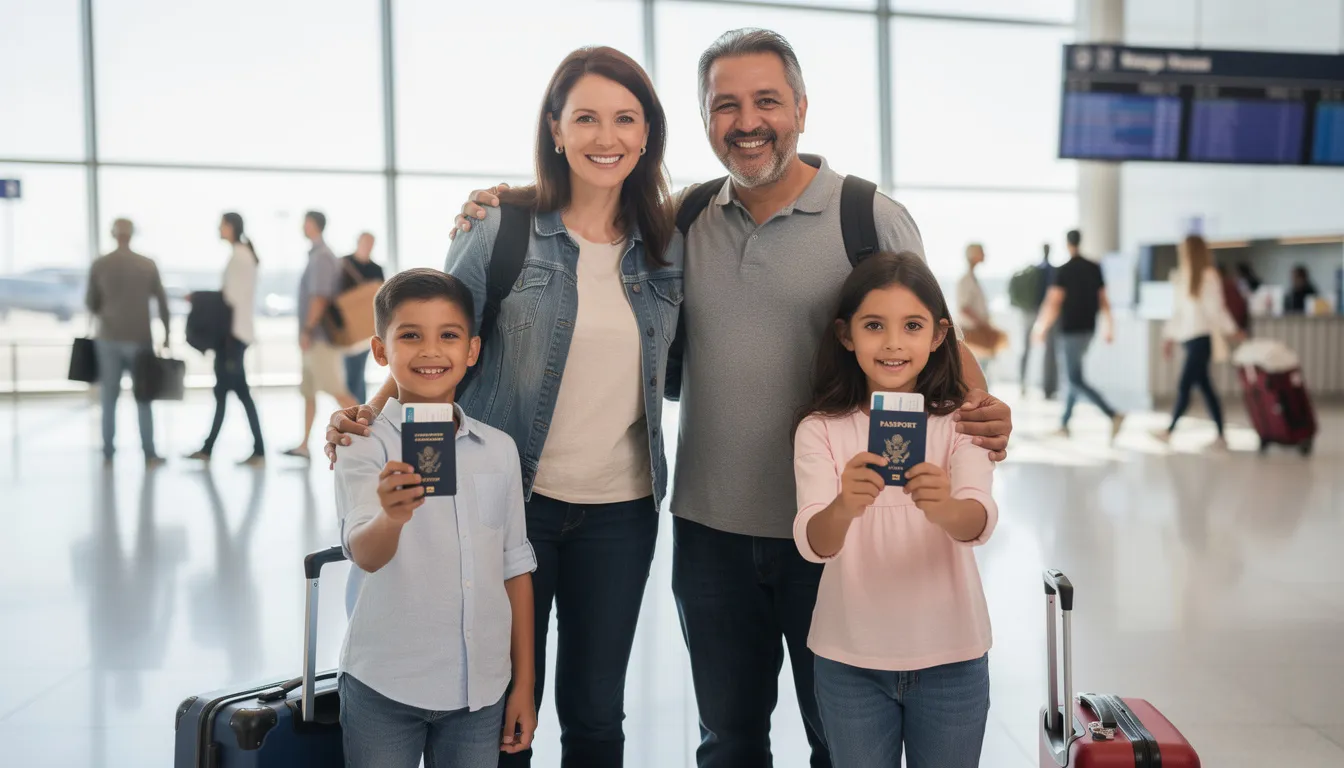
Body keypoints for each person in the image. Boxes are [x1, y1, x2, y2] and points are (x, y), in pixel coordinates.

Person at [429, 28, 1013, 768]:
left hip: (835, 529)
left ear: (801, 107)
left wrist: (987, 412)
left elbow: (936, 338)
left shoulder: (868, 216)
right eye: (724, 105)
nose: (746, 121)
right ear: (703, 120)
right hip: (709, 533)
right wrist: (504, 199)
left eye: (766, 100)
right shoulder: (682, 219)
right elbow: (591, 217)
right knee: (728, 741)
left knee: (840, 740)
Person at [331, 47, 682, 768]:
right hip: (509, 499)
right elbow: (434, 340)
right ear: (555, 128)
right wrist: (368, 414)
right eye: (585, 117)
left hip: (621, 510)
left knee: (594, 713)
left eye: (624, 119)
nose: (604, 136)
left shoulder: (666, 250)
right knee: (498, 706)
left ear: (648, 134)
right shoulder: (498, 227)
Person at [794, 252, 996, 768]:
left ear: (938, 335)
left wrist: (944, 506)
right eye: (873, 326)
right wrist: (845, 504)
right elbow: (815, 541)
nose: (892, 343)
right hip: (849, 660)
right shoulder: (821, 429)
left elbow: (978, 520)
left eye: (912, 326)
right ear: (846, 335)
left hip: (952, 654)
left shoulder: (961, 423)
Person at [336, 268, 537, 767]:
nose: (430, 351)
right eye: (410, 336)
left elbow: (514, 566)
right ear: (381, 352)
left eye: (448, 336)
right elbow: (364, 551)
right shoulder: (363, 446)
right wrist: (391, 516)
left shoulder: (499, 451)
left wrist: (524, 684)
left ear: (471, 351)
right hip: (385, 682)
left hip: (480, 690)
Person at [85, 218, 170, 467]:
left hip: (108, 338)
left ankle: (108, 454)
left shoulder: (100, 264)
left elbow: (91, 303)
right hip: (140, 339)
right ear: (132, 235)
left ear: (113, 234)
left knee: (108, 399)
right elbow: (162, 304)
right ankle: (150, 453)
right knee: (144, 397)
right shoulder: (147, 264)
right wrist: (166, 335)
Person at [186, 213, 266, 466]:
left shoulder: (239, 257)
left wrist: (198, 297)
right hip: (234, 336)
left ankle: (254, 450)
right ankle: (211, 448)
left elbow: (230, 298)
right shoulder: (242, 255)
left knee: (235, 393)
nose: (218, 229)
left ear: (230, 227)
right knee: (228, 393)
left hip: (232, 338)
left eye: (221, 225)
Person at [1153, 235, 1244, 450]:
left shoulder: (1209, 276)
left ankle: (1169, 431)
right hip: (1188, 339)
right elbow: (1178, 313)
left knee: (1185, 385)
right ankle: (1221, 434)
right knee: (1205, 387)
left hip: (1202, 339)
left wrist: (1233, 331)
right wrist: (1168, 338)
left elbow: (1216, 310)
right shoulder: (1182, 277)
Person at [1033, 229, 1125, 441]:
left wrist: (1041, 328)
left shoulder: (1063, 270)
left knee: (1074, 379)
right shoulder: (1095, 267)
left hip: (1070, 330)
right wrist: (1109, 327)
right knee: (1075, 375)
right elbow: (1104, 301)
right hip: (1088, 329)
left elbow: (1053, 303)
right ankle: (1064, 424)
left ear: (1067, 244)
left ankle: (1113, 414)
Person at [285, 211, 357, 459]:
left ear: (314, 225)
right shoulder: (316, 255)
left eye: (305, 222)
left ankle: (372, 432)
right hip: (313, 339)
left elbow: (320, 297)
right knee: (309, 392)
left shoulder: (323, 257)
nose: (302, 227)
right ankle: (304, 444)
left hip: (320, 339)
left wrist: (307, 330)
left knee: (336, 390)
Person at [340, 232, 385, 404]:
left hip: (366, 330)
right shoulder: (344, 264)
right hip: (346, 329)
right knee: (350, 372)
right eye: (365, 243)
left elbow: (380, 297)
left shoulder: (376, 269)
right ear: (358, 242)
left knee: (357, 371)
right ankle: (355, 410)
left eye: (371, 243)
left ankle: (358, 410)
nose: (368, 247)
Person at [956, 243, 1005, 372]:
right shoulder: (966, 280)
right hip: (972, 332)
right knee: (977, 370)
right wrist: (983, 324)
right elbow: (964, 308)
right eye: (981, 252)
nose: (984, 255)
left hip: (977, 330)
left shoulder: (972, 279)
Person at [1018, 244, 1058, 399]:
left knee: (1026, 348)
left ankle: (1022, 382)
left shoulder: (1033, 270)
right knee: (1050, 351)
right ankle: (1049, 388)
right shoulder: (1052, 270)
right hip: (1045, 312)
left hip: (1029, 312)